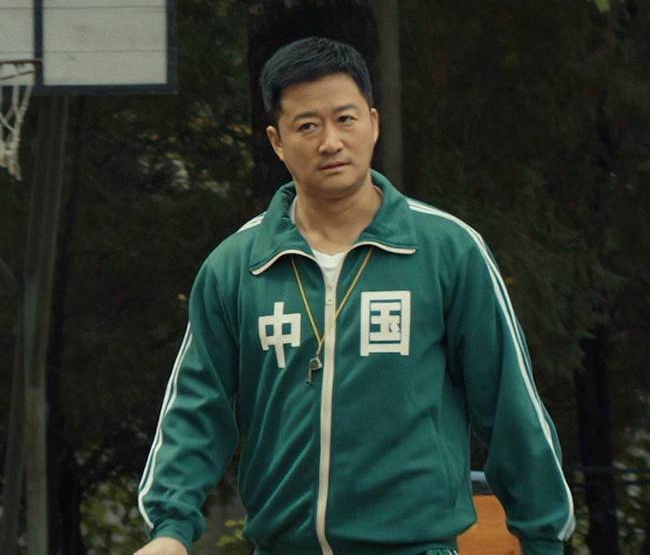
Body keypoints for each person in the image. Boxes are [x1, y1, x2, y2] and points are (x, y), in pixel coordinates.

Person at [134, 37, 575, 555]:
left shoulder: (448, 250)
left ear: (373, 122)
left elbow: (508, 405)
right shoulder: (236, 266)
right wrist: (170, 529)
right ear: (277, 141)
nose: (330, 142)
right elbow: (195, 409)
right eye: (307, 126)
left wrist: (544, 538)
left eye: (345, 119)